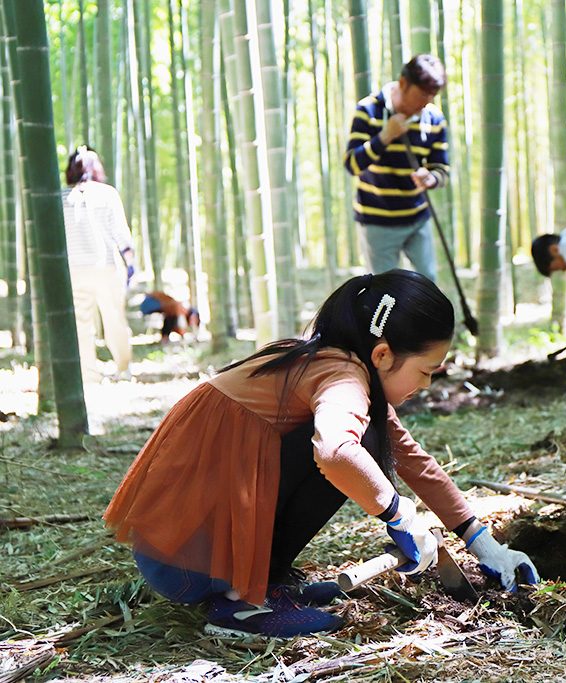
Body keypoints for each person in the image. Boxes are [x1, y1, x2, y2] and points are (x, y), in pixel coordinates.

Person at [104, 271, 539, 638]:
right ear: (382, 354)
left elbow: (412, 459)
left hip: (180, 549)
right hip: (186, 557)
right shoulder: (342, 376)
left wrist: (484, 544)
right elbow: (334, 451)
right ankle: (240, 603)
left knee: (369, 440)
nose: (425, 385)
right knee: (357, 446)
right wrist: (397, 513)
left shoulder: (329, 362)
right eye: (425, 371)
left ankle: (261, 582)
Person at [343, 54, 450, 281]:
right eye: (421, 96)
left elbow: (441, 168)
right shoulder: (368, 111)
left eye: (430, 97)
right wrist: (385, 136)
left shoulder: (434, 118)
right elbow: (352, 164)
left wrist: (430, 178)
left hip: (417, 217)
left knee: (427, 282)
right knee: (384, 290)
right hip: (377, 221)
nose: (424, 104)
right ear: (403, 83)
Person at [61, 145, 135, 382]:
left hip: (74, 269)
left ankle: (88, 375)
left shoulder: (61, 197)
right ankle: (123, 369)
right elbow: (121, 234)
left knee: (81, 324)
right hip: (106, 267)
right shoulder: (107, 193)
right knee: (114, 319)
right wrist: (131, 263)